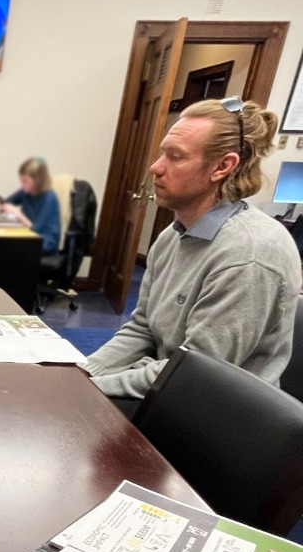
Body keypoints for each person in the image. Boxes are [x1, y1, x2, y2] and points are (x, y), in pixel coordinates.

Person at [84, 97, 302, 414]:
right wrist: (83, 372)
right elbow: (142, 329)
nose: (155, 167)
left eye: (175, 157)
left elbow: (193, 374)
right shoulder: (173, 235)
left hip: (215, 419)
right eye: (162, 153)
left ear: (222, 167)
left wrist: (92, 389)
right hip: (165, 390)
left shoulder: (250, 253)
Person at [0, 157, 61, 255]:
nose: (22, 184)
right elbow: (6, 202)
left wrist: (18, 215)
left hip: (44, 243)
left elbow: (36, 230)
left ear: (37, 180)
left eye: (25, 181)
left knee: (7, 249)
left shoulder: (49, 198)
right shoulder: (26, 192)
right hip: (29, 238)